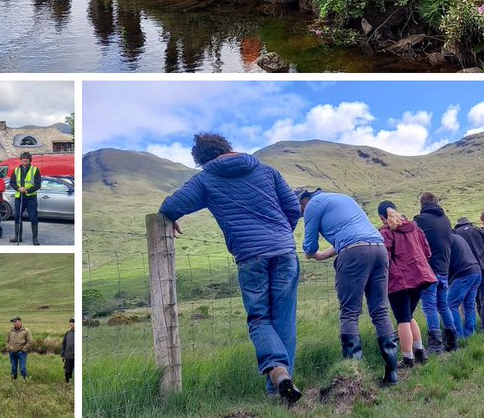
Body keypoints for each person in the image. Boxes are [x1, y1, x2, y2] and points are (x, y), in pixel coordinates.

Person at [159, 132, 303, 405]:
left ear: (201, 159)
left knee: (260, 319)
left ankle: (279, 374)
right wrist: (281, 234)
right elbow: (293, 207)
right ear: (227, 147)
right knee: (284, 319)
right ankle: (280, 388)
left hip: (250, 256)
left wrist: (171, 217)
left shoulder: (205, 178)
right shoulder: (266, 170)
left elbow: (171, 205)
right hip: (284, 251)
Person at [300, 188, 399, 386]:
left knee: (349, 313)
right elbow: (353, 236)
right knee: (380, 312)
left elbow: (309, 246)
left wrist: (312, 254)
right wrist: (323, 255)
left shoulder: (312, 205)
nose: (302, 214)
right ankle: (392, 374)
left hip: (353, 255)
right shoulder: (344, 198)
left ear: (304, 202)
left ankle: (355, 378)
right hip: (378, 249)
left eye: (300, 210)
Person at [377, 201, 434, 368]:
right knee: (408, 316)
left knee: (402, 319)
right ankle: (420, 352)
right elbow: (427, 252)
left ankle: (408, 358)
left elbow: (384, 258)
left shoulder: (386, 232)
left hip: (399, 281)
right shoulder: (415, 229)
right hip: (420, 277)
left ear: (382, 217)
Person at [414, 193, 457, 352]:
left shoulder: (420, 221)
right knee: (443, 306)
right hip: (444, 268)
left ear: (422, 204)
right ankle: (453, 342)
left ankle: (436, 344)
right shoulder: (446, 220)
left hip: (428, 270)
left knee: (430, 306)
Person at [453, 217, 484, 333]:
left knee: (471, 301)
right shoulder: (478, 229)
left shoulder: (457, 234)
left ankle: (474, 329)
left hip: (468, 269)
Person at [446, 232, 482, 339]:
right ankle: (470, 335)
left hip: (463, 273)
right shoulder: (458, 237)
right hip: (476, 270)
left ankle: (458, 336)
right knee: (469, 304)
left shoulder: (446, 240)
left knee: (450, 304)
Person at [9, 151, 42, 245]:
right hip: (19, 198)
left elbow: (38, 184)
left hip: (31, 198)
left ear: (30, 160)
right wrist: (18, 188)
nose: (25, 159)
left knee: (33, 218)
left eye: (27, 158)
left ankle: (35, 239)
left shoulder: (35, 170)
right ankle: (17, 237)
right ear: (21, 160)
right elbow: (12, 182)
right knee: (17, 217)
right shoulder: (16, 170)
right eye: (23, 158)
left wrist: (27, 190)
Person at [62, 319, 76, 384]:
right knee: (67, 370)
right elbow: (64, 344)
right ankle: (67, 382)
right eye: (71, 323)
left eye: (73, 322)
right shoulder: (67, 333)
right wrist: (63, 354)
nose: (72, 324)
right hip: (68, 355)